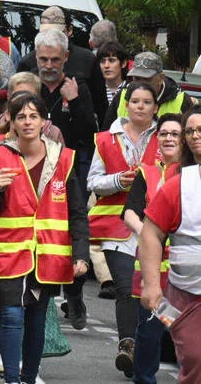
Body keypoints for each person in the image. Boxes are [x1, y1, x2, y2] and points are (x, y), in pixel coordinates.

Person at [0, 92, 90, 384]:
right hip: (9, 252)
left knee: (35, 319)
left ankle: (27, 376)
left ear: (44, 121)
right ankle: (11, 379)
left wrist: (81, 255)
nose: (27, 122)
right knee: (11, 315)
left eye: (34, 116)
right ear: (10, 119)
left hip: (48, 254)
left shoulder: (64, 158)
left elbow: (77, 211)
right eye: (21, 116)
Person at [88, 80, 159, 374]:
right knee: (126, 284)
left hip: (154, 225)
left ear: (155, 107)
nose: (140, 106)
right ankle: (127, 344)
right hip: (115, 225)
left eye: (146, 102)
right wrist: (118, 181)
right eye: (135, 101)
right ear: (126, 105)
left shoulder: (166, 135)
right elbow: (92, 182)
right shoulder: (106, 138)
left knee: (150, 288)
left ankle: (144, 351)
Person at [122, 112, 184, 384]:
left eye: (175, 134)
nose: (169, 138)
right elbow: (129, 212)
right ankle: (145, 379)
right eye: (164, 133)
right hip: (152, 272)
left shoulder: (192, 174)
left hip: (186, 272)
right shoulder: (145, 174)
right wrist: (150, 234)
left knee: (185, 333)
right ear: (156, 139)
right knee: (150, 332)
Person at [138, 110, 201, 380]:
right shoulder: (179, 186)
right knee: (196, 358)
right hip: (186, 295)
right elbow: (151, 233)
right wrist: (151, 285)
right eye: (190, 131)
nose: (195, 135)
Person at [104, 51, 196, 125]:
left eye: (146, 79)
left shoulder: (181, 100)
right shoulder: (122, 97)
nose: (141, 84)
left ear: (161, 78)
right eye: (136, 78)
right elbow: (106, 136)